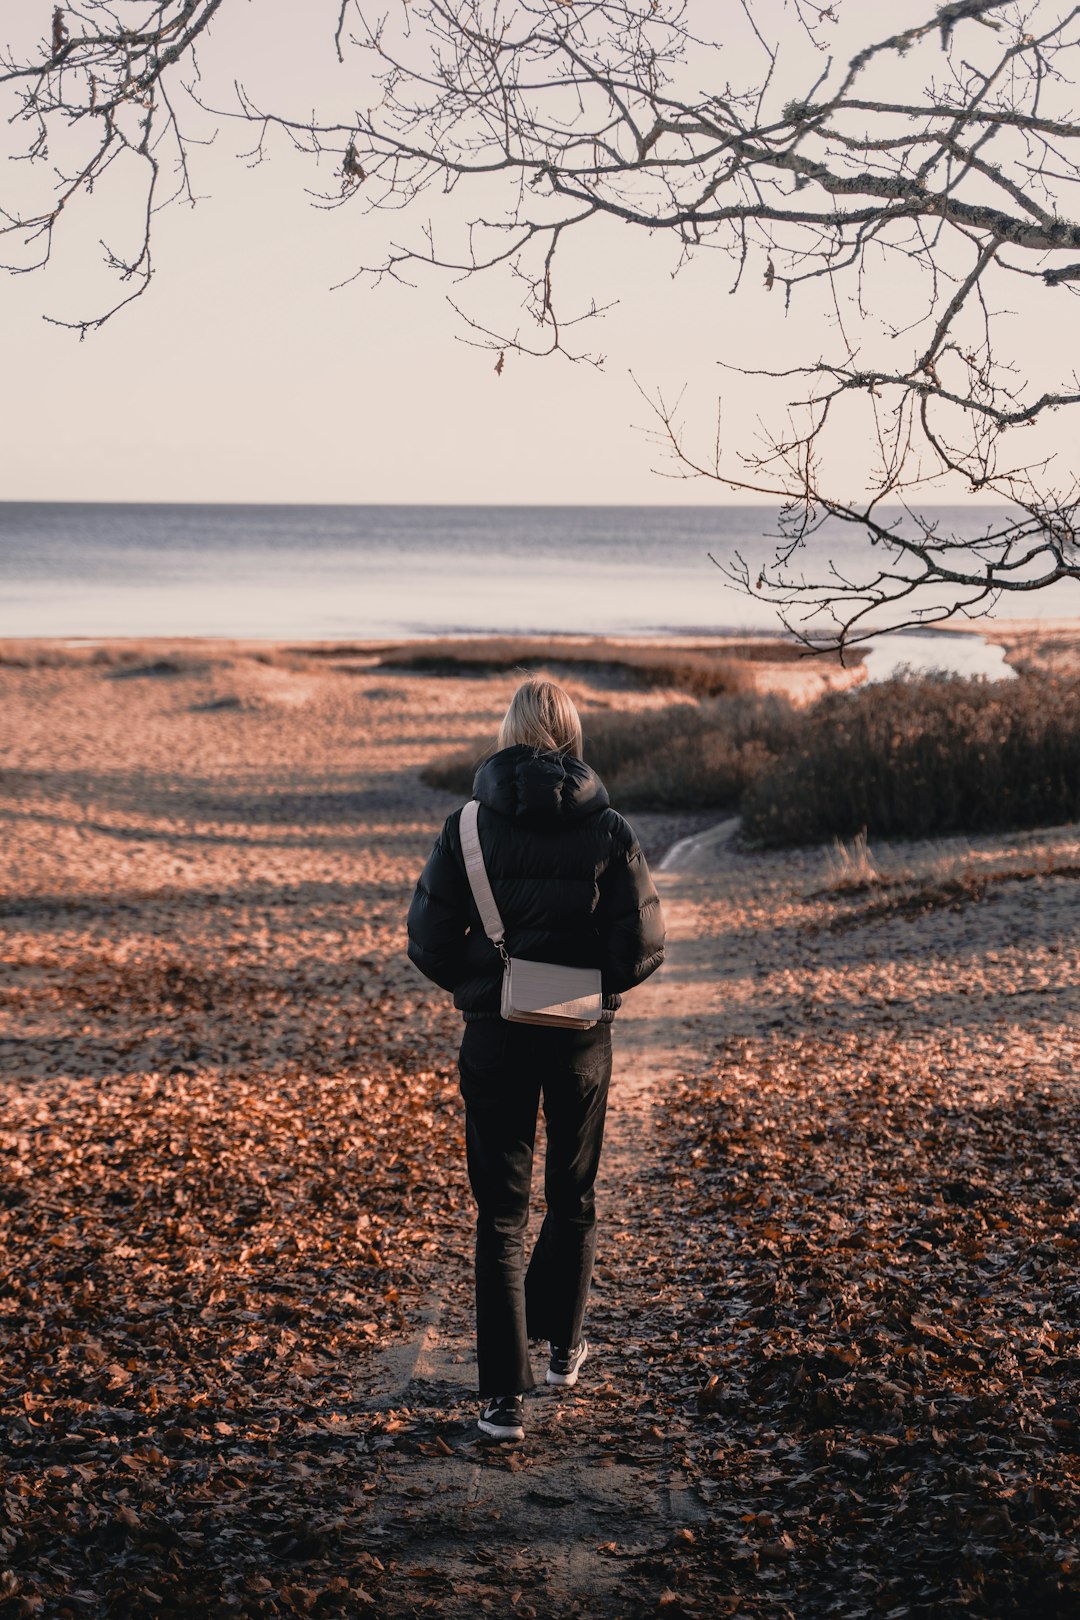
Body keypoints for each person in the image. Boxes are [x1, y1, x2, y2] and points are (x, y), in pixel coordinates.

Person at [406, 675, 666, 1442]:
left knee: (501, 1215)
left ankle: (501, 1404)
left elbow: (426, 942)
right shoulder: (610, 827)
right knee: (573, 1194)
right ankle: (562, 1351)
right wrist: (587, 990)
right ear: (572, 735)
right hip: (581, 1039)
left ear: (507, 732)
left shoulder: (467, 827)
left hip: (495, 1036)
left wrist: (485, 988)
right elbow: (644, 946)